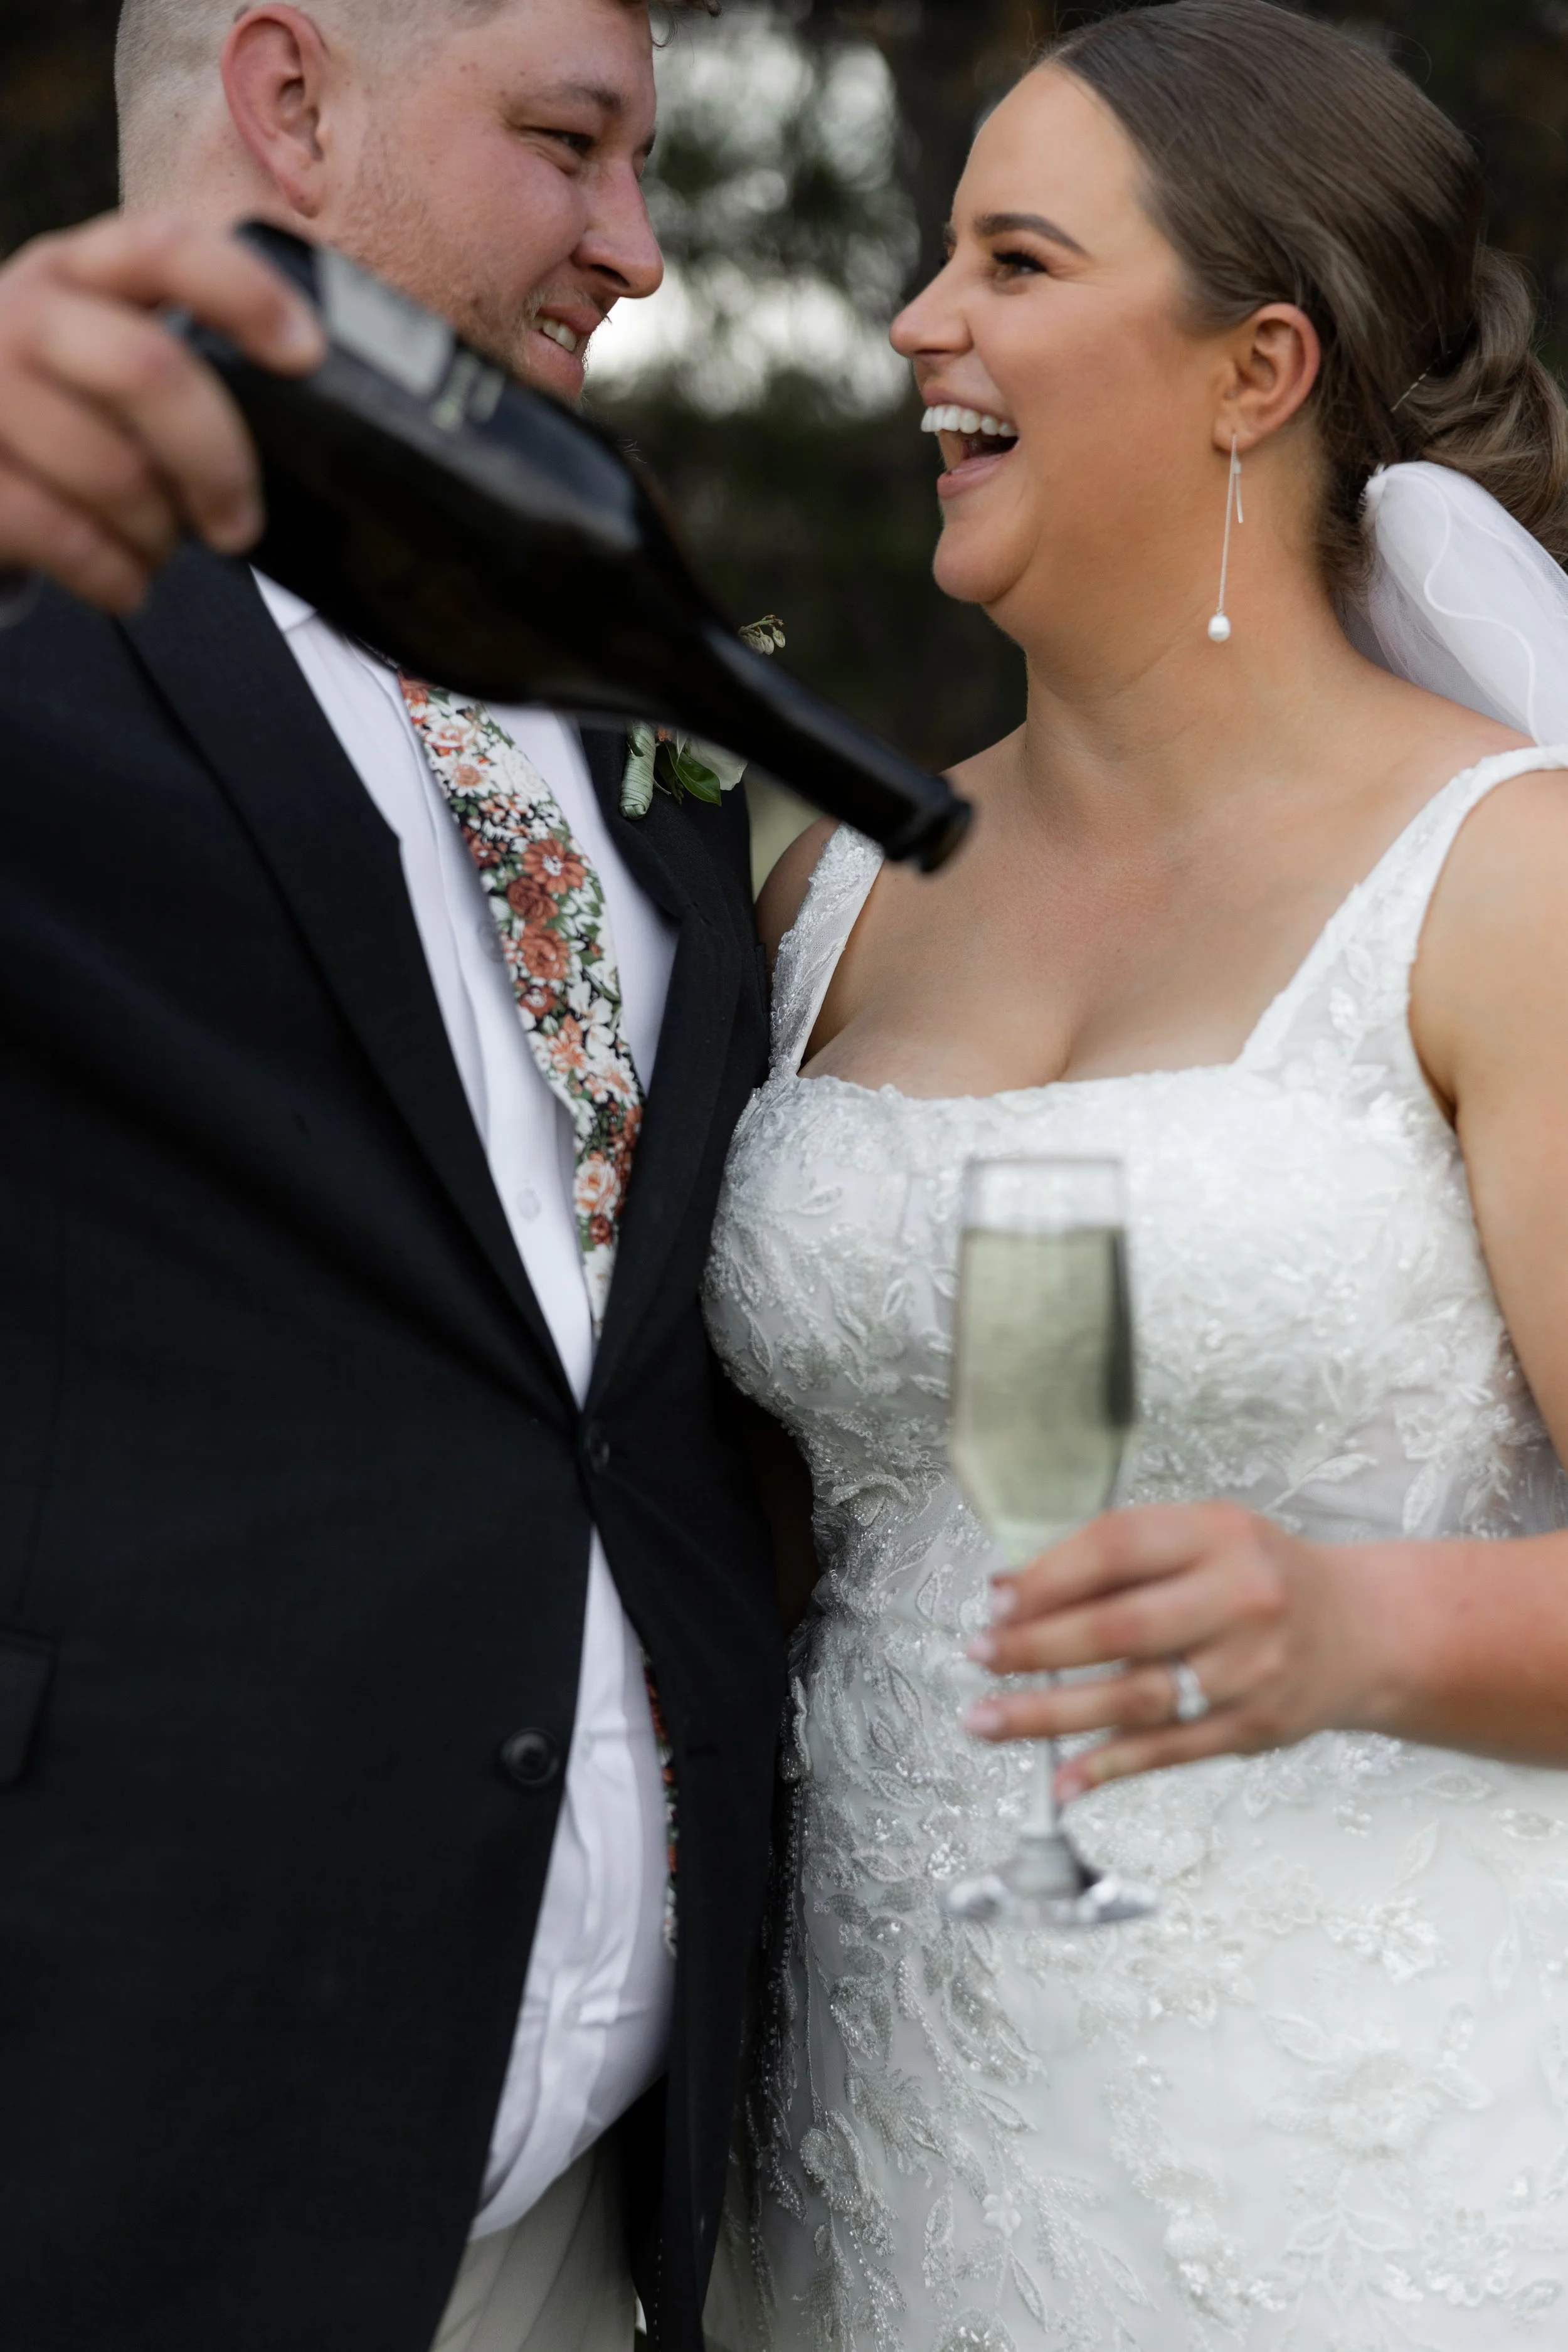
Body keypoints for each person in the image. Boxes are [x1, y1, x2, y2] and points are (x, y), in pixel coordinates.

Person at [701, 2, 1568, 2343]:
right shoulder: (834, 903)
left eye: (1014, 259)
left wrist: (1359, 1627)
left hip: (1359, 2169)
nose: (918, 324)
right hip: (879, 2155)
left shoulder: (1503, 882)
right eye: (932, 256)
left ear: (1251, 368)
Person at [0, 4, 785, 2351]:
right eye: (568, 148)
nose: (633, 252)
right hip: (112, 2149)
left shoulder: (626, 661)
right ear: (290, 100)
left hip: (590, 2218)